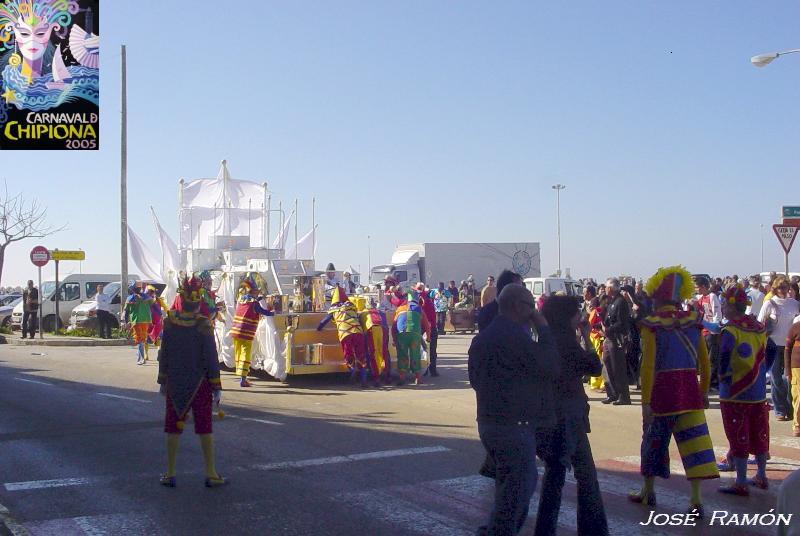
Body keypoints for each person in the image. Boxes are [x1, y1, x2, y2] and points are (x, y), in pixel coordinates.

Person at [468, 284, 559, 535]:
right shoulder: (516, 337)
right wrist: (543, 328)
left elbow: (475, 380)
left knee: (508, 488)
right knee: (516, 494)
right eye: (531, 307)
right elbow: (551, 366)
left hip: (489, 422)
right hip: (513, 425)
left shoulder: (483, 337)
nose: (533, 313)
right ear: (519, 307)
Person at [629, 266, 719, 516]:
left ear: (657, 297)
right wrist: (703, 391)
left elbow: (648, 366)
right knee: (695, 447)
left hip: (661, 395)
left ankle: (648, 492)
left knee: (653, 444)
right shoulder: (692, 321)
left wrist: (645, 402)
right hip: (690, 392)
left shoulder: (652, 325)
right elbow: (705, 363)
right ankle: (696, 499)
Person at [535, 295, 608, 536]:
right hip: (570, 415)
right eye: (577, 313)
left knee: (554, 476)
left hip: (552, 413)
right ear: (567, 317)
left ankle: (545, 529)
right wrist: (586, 336)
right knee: (584, 476)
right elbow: (594, 367)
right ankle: (593, 529)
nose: (581, 317)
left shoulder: (547, 340)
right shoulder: (567, 342)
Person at [157, 278, 225, 488]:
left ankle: (170, 473)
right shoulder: (203, 324)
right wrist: (216, 385)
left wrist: (163, 379)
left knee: (173, 427)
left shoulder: (170, 322)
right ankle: (211, 473)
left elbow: (164, 354)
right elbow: (211, 357)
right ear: (197, 302)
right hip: (200, 383)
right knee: (204, 427)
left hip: (175, 381)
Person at [715, 286, 770, 496]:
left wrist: (721, 377)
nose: (723, 307)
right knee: (759, 432)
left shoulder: (730, 329)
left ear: (731, 306)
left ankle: (740, 481)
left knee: (738, 433)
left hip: (735, 390)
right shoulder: (759, 327)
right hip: (758, 391)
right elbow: (771, 350)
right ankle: (762, 475)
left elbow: (724, 356)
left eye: (724, 304)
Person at [758, 275, 799, 421]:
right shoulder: (769, 304)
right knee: (775, 378)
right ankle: (779, 409)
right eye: (780, 287)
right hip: (773, 345)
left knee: (789, 378)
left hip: (790, 346)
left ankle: (791, 407)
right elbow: (759, 323)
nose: (783, 290)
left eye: (785, 287)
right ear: (775, 288)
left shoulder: (794, 304)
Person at [318, 286, 370, 387]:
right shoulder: (352, 306)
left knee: (349, 355)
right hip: (358, 332)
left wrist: (319, 328)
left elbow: (323, 322)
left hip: (345, 334)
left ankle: (352, 372)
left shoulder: (333, 309)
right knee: (361, 356)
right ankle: (364, 379)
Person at [230, 276, 273, 388]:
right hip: (246, 332)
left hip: (235, 331)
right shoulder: (254, 303)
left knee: (238, 353)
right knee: (245, 354)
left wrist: (259, 299)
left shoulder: (241, 299)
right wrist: (273, 311)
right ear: (254, 292)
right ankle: (243, 379)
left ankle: (241, 376)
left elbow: (250, 304)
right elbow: (264, 312)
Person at [601, 278, 631, 405]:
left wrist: (608, 329)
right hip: (608, 338)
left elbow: (622, 323)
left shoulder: (620, 302)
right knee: (607, 364)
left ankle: (623, 396)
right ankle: (612, 393)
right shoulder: (611, 301)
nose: (605, 289)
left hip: (616, 339)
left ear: (610, 288)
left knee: (617, 367)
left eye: (606, 287)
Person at [391, 290, 431, 386]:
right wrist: (428, 338)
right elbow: (427, 325)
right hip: (415, 334)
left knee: (402, 355)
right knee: (415, 355)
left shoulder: (399, 309)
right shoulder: (419, 308)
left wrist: (394, 339)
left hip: (401, 334)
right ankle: (417, 378)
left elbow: (394, 326)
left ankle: (402, 377)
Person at [695, 276, 723, 391]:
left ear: (703, 287)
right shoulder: (699, 298)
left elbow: (717, 314)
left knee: (712, 359)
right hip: (703, 331)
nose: (696, 290)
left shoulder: (712, 297)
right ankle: (707, 381)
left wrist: (715, 328)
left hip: (711, 332)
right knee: (704, 359)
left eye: (697, 287)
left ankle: (712, 382)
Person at [359, 304, 390, 384]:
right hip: (383, 329)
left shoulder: (362, 313)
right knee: (384, 352)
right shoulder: (379, 312)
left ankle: (376, 377)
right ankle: (387, 375)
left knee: (373, 353)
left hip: (372, 330)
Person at [124, 284, 154, 365]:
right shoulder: (146, 297)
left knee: (140, 339)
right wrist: (126, 322)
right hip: (142, 320)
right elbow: (126, 311)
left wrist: (126, 322)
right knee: (141, 339)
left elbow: (126, 312)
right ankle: (140, 357)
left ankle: (141, 358)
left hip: (139, 321)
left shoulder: (131, 298)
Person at [417, 283, 440, 377]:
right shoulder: (427, 300)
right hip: (430, 326)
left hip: (422, 327)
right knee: (432, 349)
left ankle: (425, 369)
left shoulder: (418, 300)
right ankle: (432, 370)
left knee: (421, 349)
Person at [785, 315, 800, 437]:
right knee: (798, 396)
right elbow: (787, 350)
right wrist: (787, 371)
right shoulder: (795, 328)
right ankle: (797, 425)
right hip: (797, 367)